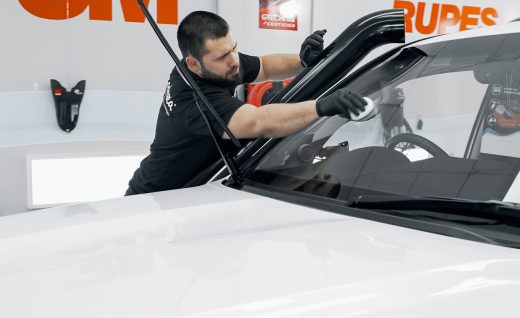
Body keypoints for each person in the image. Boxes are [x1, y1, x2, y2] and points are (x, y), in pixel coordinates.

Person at [125, 11, 367, 195]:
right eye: (222, 56)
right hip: (155, 198)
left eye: (234, 48)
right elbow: (256, 122)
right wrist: (321, 107)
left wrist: (303, 62)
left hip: (196, 191)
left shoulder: (219, 67)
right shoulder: (192, 98)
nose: (234, 61)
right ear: (193, 64)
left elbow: (264, 66)